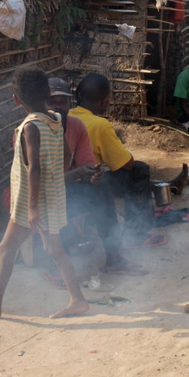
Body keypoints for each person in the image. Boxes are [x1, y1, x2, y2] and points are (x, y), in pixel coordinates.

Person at [0, 66, 89, 320]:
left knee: (5, 249)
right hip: (52, 197)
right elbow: (66, 156)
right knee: (55, 250)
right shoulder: (56, 120)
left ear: (16, 100)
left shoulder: (29, 127)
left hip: (30, 202)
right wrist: (55, 175)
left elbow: (34, 169)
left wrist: (33, 207)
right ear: (47, 92)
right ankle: (78, 300)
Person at [46, 78, 147, 277]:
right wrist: (78, 174)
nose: (58, 106)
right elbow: (40, 182)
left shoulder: (76, 125)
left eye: (62, 101)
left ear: (70, 103)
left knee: (101, 191)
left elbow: (86, 164)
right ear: (42, 103)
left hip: (64, 188)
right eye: (52, 101)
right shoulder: (33, 130)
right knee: (56, 203)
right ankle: (56, 269)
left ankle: (114, 259)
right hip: (37, 196)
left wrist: (94, 175)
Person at [70, 73, 166, 249]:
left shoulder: (68, 116)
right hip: (86, 188)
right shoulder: (100, 125)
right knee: (139, 170)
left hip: (66, 185)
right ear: (105, 100)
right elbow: (126, 164)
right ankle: (137, 233)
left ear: (79, 95)